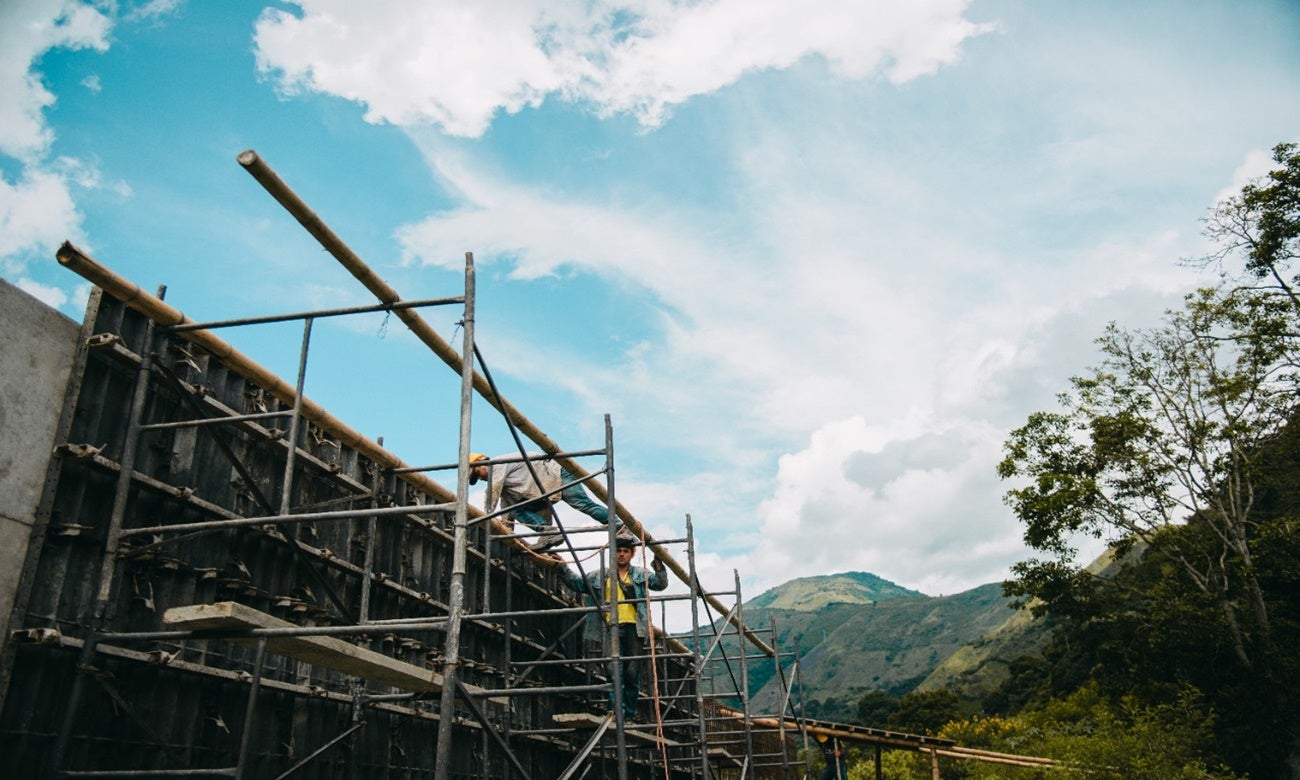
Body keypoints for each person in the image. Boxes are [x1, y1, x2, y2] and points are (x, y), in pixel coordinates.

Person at [557, 535, 667, 719]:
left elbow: (661, 584)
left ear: (631, 554)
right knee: (611, 669)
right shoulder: (601, 575)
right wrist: (562, 567)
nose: (621, 555)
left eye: (625, 551)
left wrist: (658, 563)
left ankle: (628, 714)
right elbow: (577, 583)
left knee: (632, 673)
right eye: (618, 551)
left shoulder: (640, 574)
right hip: (610, 626)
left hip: (634, 627)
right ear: (613, 554)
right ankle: (615, 709)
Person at [469, 452, 612, 550]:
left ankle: (619, 526)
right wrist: (506, 534)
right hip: (544, 490)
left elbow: (492, 492)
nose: (480, 478)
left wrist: (486, 518)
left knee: (584, 505)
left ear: (482, 462)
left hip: (559, 475)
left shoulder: (498, 465)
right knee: (516, 509)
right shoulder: (504, 484)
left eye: (477, 473)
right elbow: (507, 510)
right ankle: (548, 533)